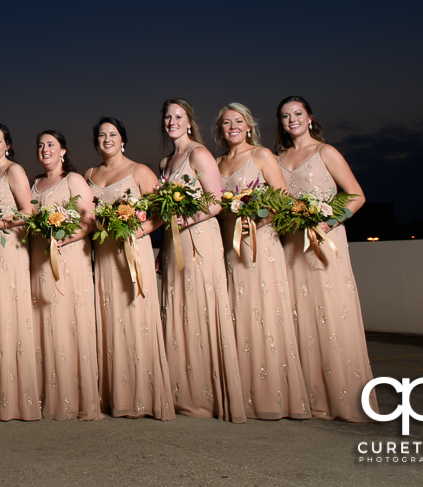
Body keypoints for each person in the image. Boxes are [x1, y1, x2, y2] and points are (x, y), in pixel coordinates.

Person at [275, 95, 377, 421]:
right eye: (285, 116)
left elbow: (357, 195)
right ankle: (309, 398)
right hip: (291, 247)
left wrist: (327, 221)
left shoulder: (326, 152)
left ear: (309, 118)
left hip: (324, 244)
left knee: (331, 315)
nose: (291, 120)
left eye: (297, 113)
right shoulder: (277, 158)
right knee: (298, 317)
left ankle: (343, 399)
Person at [214, 103, 309, 420]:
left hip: (261, 246)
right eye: (226, 123)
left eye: (238, 121)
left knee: (265, 315)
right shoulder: (216, 163)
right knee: (237, 316)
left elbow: (284, 201)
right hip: (230, 250)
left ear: (249, 126)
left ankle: (273, 397)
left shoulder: (262, 156)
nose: (233, 127)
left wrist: (254, 218)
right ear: (220, 130)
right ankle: (243, 395)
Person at [157, 98, 246, 422]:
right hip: (172, 241)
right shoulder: (166, 161)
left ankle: (208, 397)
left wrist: (183, 221)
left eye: (178, 116)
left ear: (189, 122)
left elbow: (217, 203)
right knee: (176, 310)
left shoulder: (198, 153)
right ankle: (181, 393)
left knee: (200, 309)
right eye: (167, 117)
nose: (172, 122)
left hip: (197, 239)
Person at [85, 116, 173, 420]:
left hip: (133, 253)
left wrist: (144, 230)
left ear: (123, 139)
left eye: (112, 134)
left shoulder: (140, 171)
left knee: (136, 318)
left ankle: (144, 396)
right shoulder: (90, 174)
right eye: (101, 135)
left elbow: (165, 209)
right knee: (109, 319)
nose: (106, 139)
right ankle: (113, 397)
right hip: (104, 255)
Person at [29, 130, 101, 420]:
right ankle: (47, 393)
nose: (45, 149)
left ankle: (74, 398)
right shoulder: (34, 185)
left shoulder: (73, 180)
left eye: (51, 145)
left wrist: (61, 239)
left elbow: (89, 221)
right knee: (44, 322)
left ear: (62, 151)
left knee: (68, 322)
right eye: (41, 145)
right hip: (38, 261)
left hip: (68, 260)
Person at [0, 122, 41, 421]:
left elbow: (29, 213)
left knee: (10, 316)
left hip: (9, 251)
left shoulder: (14, 170)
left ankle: (18, 399)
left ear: (8, 145)